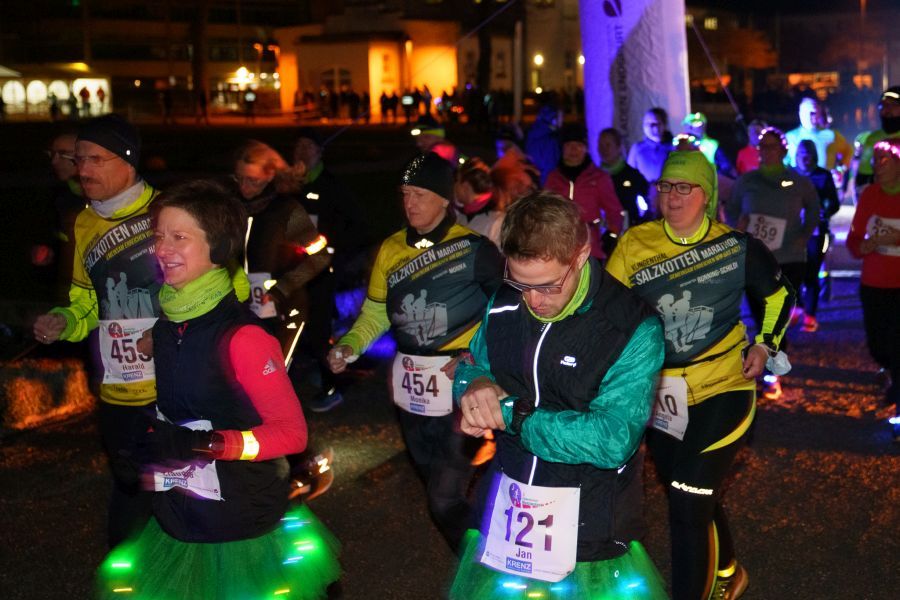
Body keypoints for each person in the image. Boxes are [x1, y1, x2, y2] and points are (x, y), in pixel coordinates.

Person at [96, 180, 340, 599]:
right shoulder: (168, 327)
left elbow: (291, 434)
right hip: (180, 516)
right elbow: (182, 409)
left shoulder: (244, 338)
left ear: (219, 248)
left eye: (179, 237)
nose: (162, 249)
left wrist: (207, 444)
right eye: (159, 236)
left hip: (240, 524)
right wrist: (147, 446)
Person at [450, 191, 668, 599]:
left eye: (548, 286)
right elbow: (471, 362)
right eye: (520, 283)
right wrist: (474, 386)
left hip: (589, 524)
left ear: (581, 256)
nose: (532, 300)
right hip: (511, 507)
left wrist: (513, 415)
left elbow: (612, 439)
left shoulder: (631, 327)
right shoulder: (506, 299)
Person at [607, 150, 796, 600]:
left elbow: (779, 296)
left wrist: (765, 345)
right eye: (665, 186)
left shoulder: (736, 246)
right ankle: (729, 570)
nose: (671, 196)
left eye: (683, 187)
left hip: (724, 387)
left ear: (706, 195)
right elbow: (607, 309)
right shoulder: (635, 243)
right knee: (689, 489)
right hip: (660, 393)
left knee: (688, 501)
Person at [327, 152, 504, 552]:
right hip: (411, 390)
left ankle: (483, 564)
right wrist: (350, 345)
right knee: (433, 480)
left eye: (420, 194)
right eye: (405, 194)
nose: (410, 203)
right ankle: (487, 539)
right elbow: (375, 311)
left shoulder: (475, 249)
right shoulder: (390, 250)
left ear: (444, 198)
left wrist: (478, 356)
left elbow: (507, 313)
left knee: (444, 497)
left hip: (459, 384)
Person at [32, 115, 163, 547]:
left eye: (94, 159)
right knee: (129, 488)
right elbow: (86, 302)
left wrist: (170, 332)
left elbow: (226, 291)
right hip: (119, 390)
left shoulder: (170, 213)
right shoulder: (84, 223)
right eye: (77, 159)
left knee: (183, 494)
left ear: (127, 160)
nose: (82, 169)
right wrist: (64, 320)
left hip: (175, 388)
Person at [727, 127, 818, 399]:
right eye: (762, 147)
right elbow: (732, 209)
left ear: (783, 150)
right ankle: (771, 363)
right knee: (760, 316)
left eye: (771, 146)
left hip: (789, 258)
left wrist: (804, 235)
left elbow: (814, 209)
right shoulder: (747, 181)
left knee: (775, 318)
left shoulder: (798, 181)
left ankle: (771, 373)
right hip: (756, 260)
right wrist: (737, 225)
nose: (765, 151)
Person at [293, 128, 367, 411]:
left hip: (322, 270)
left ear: (320, 152)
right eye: (298, 146)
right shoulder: (290, 186)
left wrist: (333, 252)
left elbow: (357, 225)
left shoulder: (331, 186)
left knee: (320, 328)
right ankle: (313, 369)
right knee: (296, 325)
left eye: (308, 146)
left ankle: (332, 386)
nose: (302, 152)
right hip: (293, 270)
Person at [846, 139, 900, 442]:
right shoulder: (870, 195)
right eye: (875, 159)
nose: (877, 165)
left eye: (884, 160)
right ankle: (891, 372)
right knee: (879, 347)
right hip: (874, 283)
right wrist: (861, 246)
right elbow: (853, 238)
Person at [545, 123, 624, 261]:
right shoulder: (553, 178)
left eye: (578, 145)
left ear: (586, 148)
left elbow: (615, 211)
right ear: (562, 149)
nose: (573, 150)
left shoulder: (599, 178)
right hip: (558, 249)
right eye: (569, 145)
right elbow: (544, 211)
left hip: (591, 249)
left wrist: (612, 234)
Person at [794, 139, 840, 333]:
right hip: (792, 233)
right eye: (802, 155)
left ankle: (810, 317)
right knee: (793, 271)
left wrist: (825, 211)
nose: (805, 159)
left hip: (815, 232)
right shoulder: (789, 175)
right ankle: (797, 307)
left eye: (809, 156)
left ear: (814, 156)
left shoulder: (823, 176)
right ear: (796, 156)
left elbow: (834, 203)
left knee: (811, 273)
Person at [850, 86, 900, 201]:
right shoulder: (873, 139)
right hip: (883, 204)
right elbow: (863, 179)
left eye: (893, 105)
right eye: (883, 105)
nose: (887, 110)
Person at [598, 126, 651, 227]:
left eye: (608, 145)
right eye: (601, 145)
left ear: (618, 147)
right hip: (604, 231)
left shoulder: (632, 175)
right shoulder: (594, 177)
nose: (604, 149)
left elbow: (647, 202)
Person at [785, 97, 852, 175]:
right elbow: (783, 162)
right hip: (799, 181)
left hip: (824, 180)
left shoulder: (831, 135)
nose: (810, 116)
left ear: (818, 113)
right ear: (800, 113)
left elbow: (849, 152)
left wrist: (841, 171)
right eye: (806, 112)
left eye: (814, 112)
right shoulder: (790, 137)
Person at [453, 157, 504, 246]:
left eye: (457, 181)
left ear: (465, 186)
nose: (454, 187)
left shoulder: (498, 221)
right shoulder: (461, 216)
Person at [682, 112, 736, 178]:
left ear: (704, 126)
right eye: (688, 125)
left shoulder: (712, 144)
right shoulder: (677, 143)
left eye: (696, 124)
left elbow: (726, 166)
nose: (691, 128)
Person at [628, 108, 673, 186]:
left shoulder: (674, 148)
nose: (650, 127)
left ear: (664, 125)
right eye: (646, 123)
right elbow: (629, 175)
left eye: (654, 123)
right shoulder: (637, 149)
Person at [524, 104, 561, 185]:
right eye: (560, 117)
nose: (561, 120)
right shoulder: (548, 138)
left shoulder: (537, 133)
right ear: (553, 119)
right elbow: (548, 164)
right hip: (546, 181)